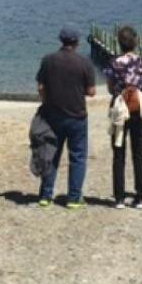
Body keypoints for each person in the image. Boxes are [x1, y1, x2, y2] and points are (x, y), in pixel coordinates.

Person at [36, 27, 96, 209]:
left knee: (51, 154)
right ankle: (74, 197)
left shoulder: (48, 60)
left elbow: (40, 87)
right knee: (77, 157)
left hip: (53, 115)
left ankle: (46, 195)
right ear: (77, 42)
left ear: (61, 41)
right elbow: (92, 91)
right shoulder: (84, 62)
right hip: (77, 116)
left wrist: (47, 102)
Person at [104, 26, 142, 209]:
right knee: (138, 152)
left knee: (119, 152)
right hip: (139, 106)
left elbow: (110, 88)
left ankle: (119, 197)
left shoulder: (114, 63)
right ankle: (139, 197)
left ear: (119, 43)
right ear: (136, 42)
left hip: (120, 106)